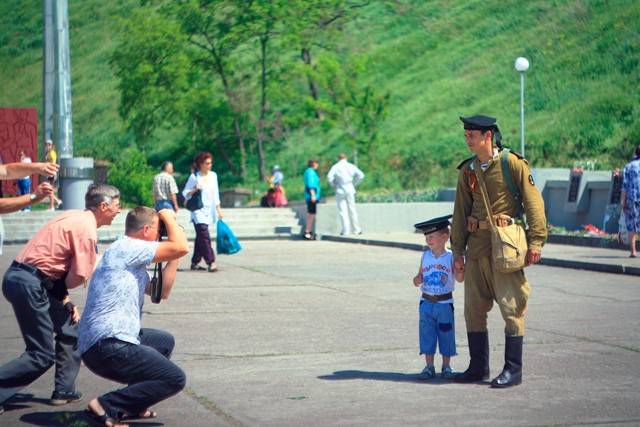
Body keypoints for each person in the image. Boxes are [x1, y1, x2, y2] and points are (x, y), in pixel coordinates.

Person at [0, 184, 121, 416]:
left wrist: (64, 300)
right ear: (103, 206)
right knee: (41, 354)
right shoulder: (87, 230)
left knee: (71, 326)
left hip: (26, 278)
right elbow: (75, 278)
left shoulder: (73, 215)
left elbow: (52, 265)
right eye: (116, 205)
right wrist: (99, 261)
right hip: (31, 283)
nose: (118, 210)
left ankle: (64, 390)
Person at [451, 115, 547, 388]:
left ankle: (512, 370)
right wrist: (457, 251)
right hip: (477, 247)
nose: (467, 138)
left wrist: (536, 241)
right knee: (473, 309)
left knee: (512, 307)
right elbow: (460, 213)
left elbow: (533, 202)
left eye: (472, 134)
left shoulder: (511, 163)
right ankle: (478, 366)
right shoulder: (467, 170)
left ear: (488, 135)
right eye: (466, 133)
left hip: (506, 246)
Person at [79, 207, 189, 427]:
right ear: (147, 230)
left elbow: (162, 292)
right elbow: (181, 246)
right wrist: (169, 217)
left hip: (106, 343)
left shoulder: (131, 261)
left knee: (164, 342)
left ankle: (132, 406)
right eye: (159, 231)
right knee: (174, 378)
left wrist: (173, 255)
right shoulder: (126, 248)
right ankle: (105, 405)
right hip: (106, 346)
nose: (160, 237)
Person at [412, 215, 464, 380]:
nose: (428, 240)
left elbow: (460, 279)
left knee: (446, 334)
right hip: (426, 302)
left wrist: (461, 270)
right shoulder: (425, 256)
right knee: (427, 334)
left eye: (431, 236)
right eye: (426, 237)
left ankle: (446, 366)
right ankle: (429, 367)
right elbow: (419, 275)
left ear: (444, 237)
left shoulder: (450, 257)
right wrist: (417, 279)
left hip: (444, 303)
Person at [182, 152, 224, 272]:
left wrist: (219, 210)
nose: (209, 165)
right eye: (207, 163)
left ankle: (195, 262)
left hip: (209, 211)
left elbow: (216, 194)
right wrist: (195, 189)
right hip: (198, 211)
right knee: (204, 236)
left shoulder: (213, 176)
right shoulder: (194, 177)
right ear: (200, 164)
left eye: (210, 163)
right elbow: (185, 193)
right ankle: (211, 262)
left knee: (200, 237)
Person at [326, 153, 364, 235]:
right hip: (350, 187)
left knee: (343, 210)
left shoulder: (336, 167)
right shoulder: (351, 166)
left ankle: (345, 230)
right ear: (346, 158)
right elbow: (361, 175)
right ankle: (356, 229)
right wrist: (354, 183)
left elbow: (329, 177)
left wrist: (333, 185)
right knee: (352, 210)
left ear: (338, 158)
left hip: (340, 188)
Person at [621, 144, 640, 258]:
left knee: (632, 224)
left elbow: (624, 187)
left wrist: (623, 202)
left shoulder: (629, 167)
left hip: (632, 199)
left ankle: (633, 251)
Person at [303, 158, 321, 240]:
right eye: (317, 163)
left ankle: (308, 231)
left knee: (311, 213)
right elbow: (311, 183)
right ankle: (308, 231)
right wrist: (313, 195)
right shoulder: (311, 172)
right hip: (312, 196)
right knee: (312, 213)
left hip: (310, 195)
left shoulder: (308, 171)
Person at [44, 139, 63, 211]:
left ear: (52, 146)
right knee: (48, 190)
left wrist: (50, 169)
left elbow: (52, 162)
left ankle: (52, 206)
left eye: (49, 145)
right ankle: (57, 201)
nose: (48, 146)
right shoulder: (49, 153)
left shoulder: (52, 153)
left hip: (51, 173)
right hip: (49, 173)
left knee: (49, 190)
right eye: (47, 145)